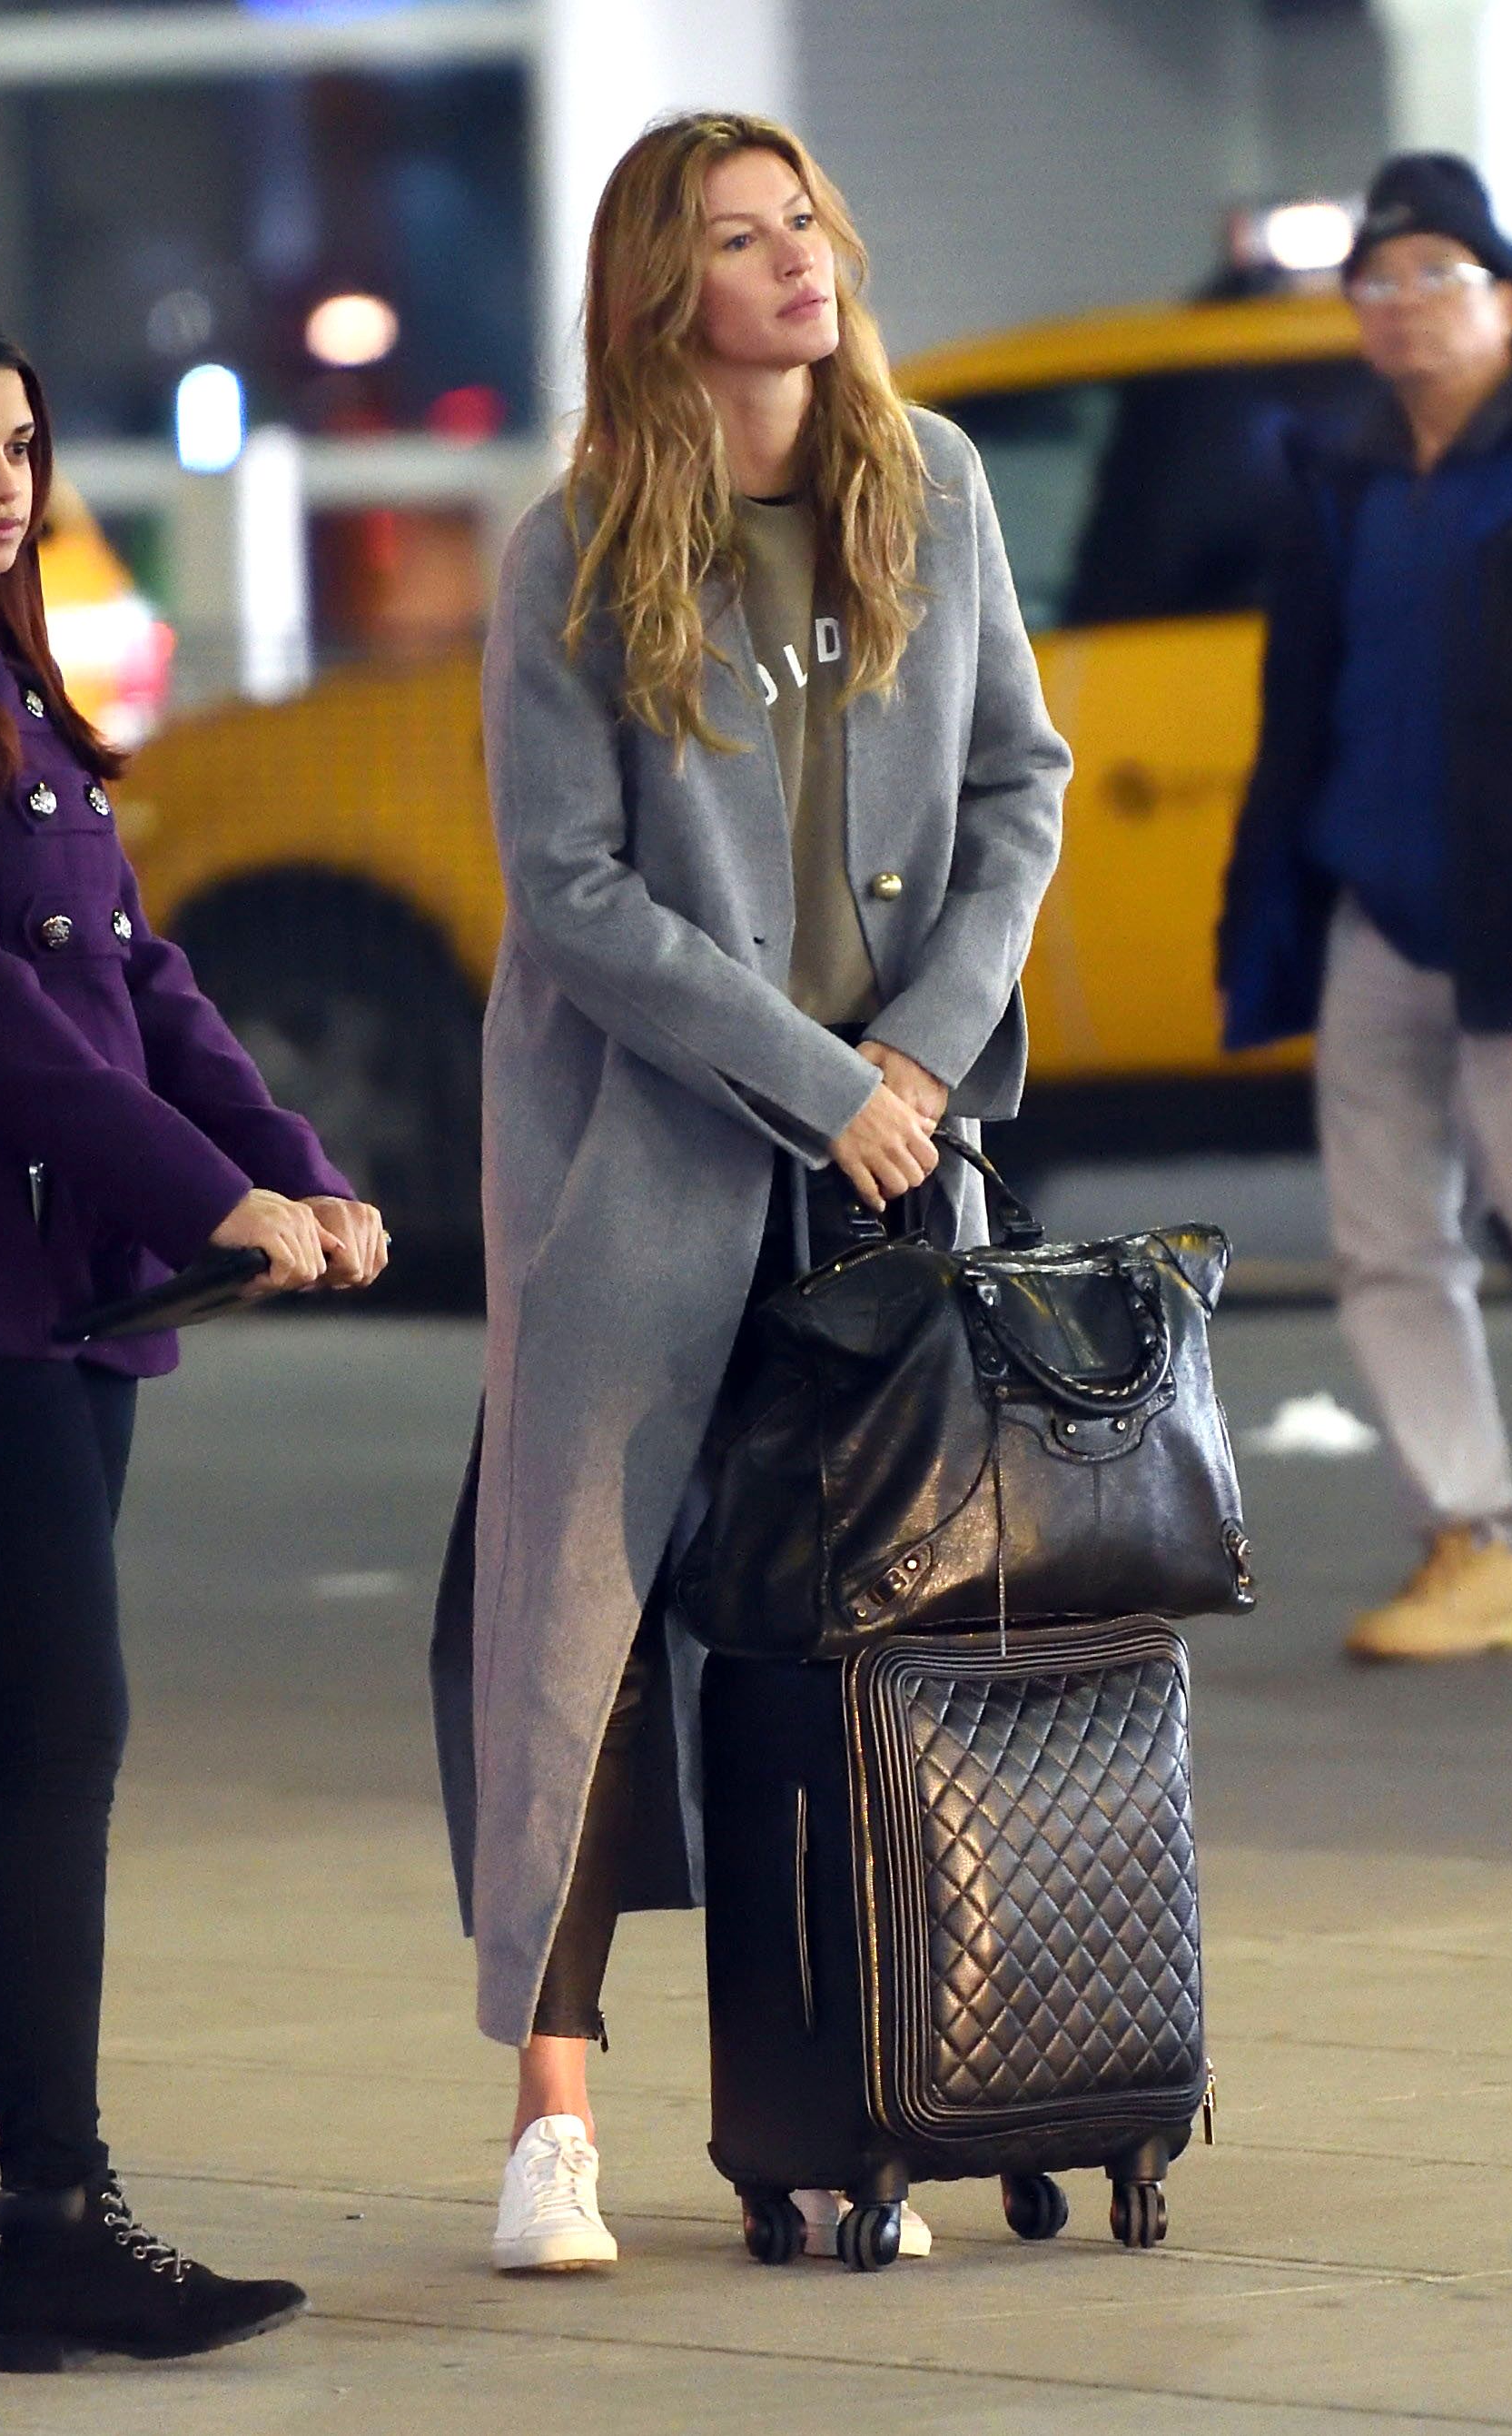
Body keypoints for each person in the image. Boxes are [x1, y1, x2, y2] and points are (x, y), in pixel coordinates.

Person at [430, 111, 1070, 2275]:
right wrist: (815, 1077)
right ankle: (553, 2123)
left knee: (879, 1632)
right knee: (579, 1636)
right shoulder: (576, 548)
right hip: (644, 1157)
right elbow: (574, 898)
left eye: (805, 224)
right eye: (741, 238)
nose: (801, 264)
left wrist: (915, 1058)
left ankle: (867, 2091)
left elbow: (1019, 788)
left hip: (899, 1149)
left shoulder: (938, 481)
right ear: (658, 291)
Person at [0, 309, 390, 2371]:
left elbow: (144, 979)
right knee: (48, 1752)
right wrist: (216, 1204)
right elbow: (2, 1040)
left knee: (9, 1757)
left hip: (70, 1317)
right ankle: (47, 2211)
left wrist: (299, 1168)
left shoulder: (8, 697)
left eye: (22, 444)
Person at [1219, 153, 1512, 1662]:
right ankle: (1478, 1541)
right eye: (1377, 281)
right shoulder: (1342, 473)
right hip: (1374, 901)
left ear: (1505, 294)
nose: (1404, 304)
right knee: (1386, 1246)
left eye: (1437, 272)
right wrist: (1275, 890)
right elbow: (1301, 701)